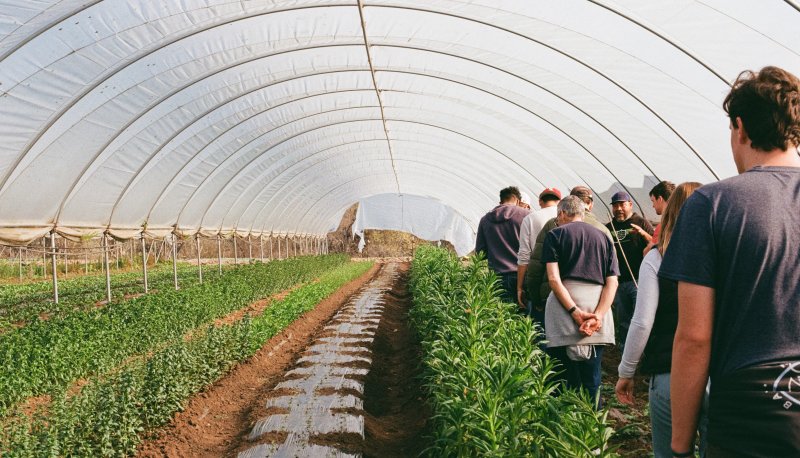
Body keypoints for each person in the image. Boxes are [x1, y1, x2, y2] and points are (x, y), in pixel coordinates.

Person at [661, 66, 800, 457]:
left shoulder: (712, 204)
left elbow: (694, 338)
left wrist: (680, 444)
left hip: (752, 410)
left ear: (740, 128)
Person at [614, 182, 704, 458]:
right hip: (718, 374)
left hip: (669, 371)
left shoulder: (657, 257)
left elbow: (642, 322)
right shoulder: (723, 253)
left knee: (671, 452)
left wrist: (626, 371)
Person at [541, 196, 619, 408]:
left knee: (563, 379)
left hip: (563, 311)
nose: (557, 220)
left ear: (563, 214)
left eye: (558, 216)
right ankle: (594, 429)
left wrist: (575, 312)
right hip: (596, 308)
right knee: (592, 378)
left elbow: (554, 279)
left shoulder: (555, 235)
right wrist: (599, 315)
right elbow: (612, 282)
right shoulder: (603, 237)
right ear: (582, 214)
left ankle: (565, 429)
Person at [525, 186, 611, 326]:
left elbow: (537, 266)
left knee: (551, 342)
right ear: (591, 204)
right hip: (594, 300)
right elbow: (611, 276)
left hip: (555, 297)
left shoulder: (553, 228)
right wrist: (602, 310)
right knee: (590, 339)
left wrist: (535, 298)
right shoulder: (603, 231)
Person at [605, 191, 653, 351]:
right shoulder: (608, 228)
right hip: (618, 282)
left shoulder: (641, 222)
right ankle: (625, 351)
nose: (618, 208)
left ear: (630, 205)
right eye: (615, 205)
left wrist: (643, 233)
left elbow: (655, 244)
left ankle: (643, 351)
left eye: (622, 204)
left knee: (640, 318)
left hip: (638, 280)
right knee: (623, 319)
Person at [475, 186, 530, 303]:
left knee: (501, 316)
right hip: (521, 275)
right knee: (523, 316)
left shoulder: (485, 219)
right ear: (518, 200)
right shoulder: (526, 216)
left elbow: (480, 253)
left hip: (496, 277)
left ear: (500, 202)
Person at [516, 187, 561, 313]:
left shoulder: (530, 218)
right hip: (561, 277)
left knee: (538, 322)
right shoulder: (565, 216)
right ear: (559, 201)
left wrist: (519, 287)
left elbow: (524, 255)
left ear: (540, 201)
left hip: (537, 277)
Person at [643, 181, 675, 255]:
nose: (653, 206)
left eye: (653, 201)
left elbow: (647, 252)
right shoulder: (682, 220)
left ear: (660, 199)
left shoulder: (663, 226)